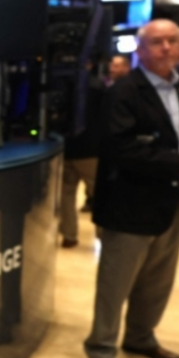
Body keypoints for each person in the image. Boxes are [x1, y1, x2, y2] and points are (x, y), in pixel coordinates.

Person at [86, 19, 179, 358]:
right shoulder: (124, 91)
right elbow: (120, 148)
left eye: (172, 40)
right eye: (157, 42)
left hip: (172, 201)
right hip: (129, 204)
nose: (167, 48)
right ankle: (101, 350)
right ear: (140, 49)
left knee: (157, 282)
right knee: (115, 284)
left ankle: (141, 337)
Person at [60, 61, 105, 247]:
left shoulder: (62, 83)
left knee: (66, 194)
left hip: (67, 147)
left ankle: (69, 235)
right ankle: (104, 235)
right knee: (100, 194)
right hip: (91, 149)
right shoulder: (98, 85)